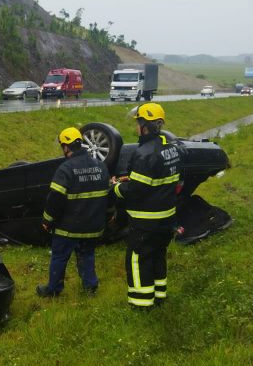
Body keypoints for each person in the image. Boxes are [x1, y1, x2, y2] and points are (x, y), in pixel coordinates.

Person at [112, 103, 182, 309]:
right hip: (167, 218)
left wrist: (116, 188)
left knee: (137, 259)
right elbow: (159, 179)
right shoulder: (171, 149)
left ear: (145, 125)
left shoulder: (144, 154)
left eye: (138, 123)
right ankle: (159, 295)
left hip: (146, 221)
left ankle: (141, 303)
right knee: (158, 255)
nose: (137, 128)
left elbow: (136, 191)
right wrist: (133, 179)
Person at [37, 127, 110, 297]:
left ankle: (53, 289)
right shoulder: (101, 166)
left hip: (68, 228)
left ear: (66, 147)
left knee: (59, 257)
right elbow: (108, 195)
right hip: (92, 226)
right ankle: (90, 288)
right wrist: (110, 214)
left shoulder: (65, 169)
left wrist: (47, 221)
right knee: (87, 255)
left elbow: (55, 199)